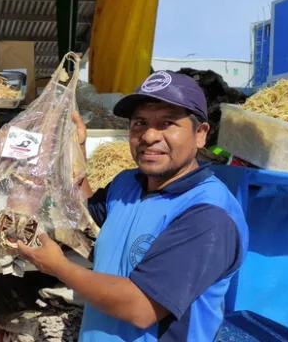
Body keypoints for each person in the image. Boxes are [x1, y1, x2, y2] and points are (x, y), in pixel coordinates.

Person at [16, 71, 249, 341]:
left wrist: (58, 267)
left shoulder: (209, 214)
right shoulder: (127, 184)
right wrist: (75, 151)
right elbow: (83, 219)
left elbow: (142, 308)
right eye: (140, 122)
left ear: (200, 134)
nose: (149, 136)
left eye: (167, 123)